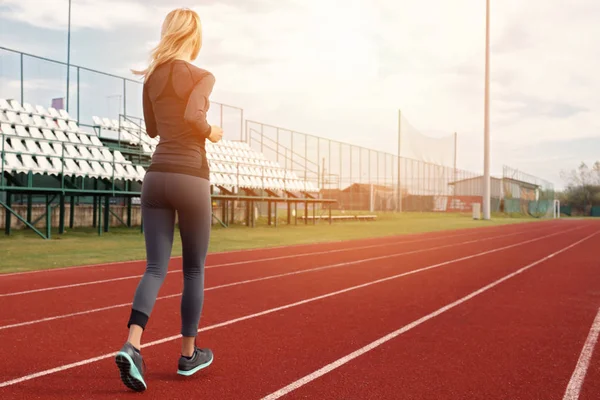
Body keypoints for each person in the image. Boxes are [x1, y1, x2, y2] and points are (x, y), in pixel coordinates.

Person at [114, 8, 223, 392]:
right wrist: (212, 132)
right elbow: (195, 115)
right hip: (191, 176)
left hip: (155, 177)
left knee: (155, 268)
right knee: (193, 269)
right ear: (195, 37)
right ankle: (188, 355)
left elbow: (152, 127)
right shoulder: (202, 76)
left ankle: (133, 345)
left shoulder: (152, 78)